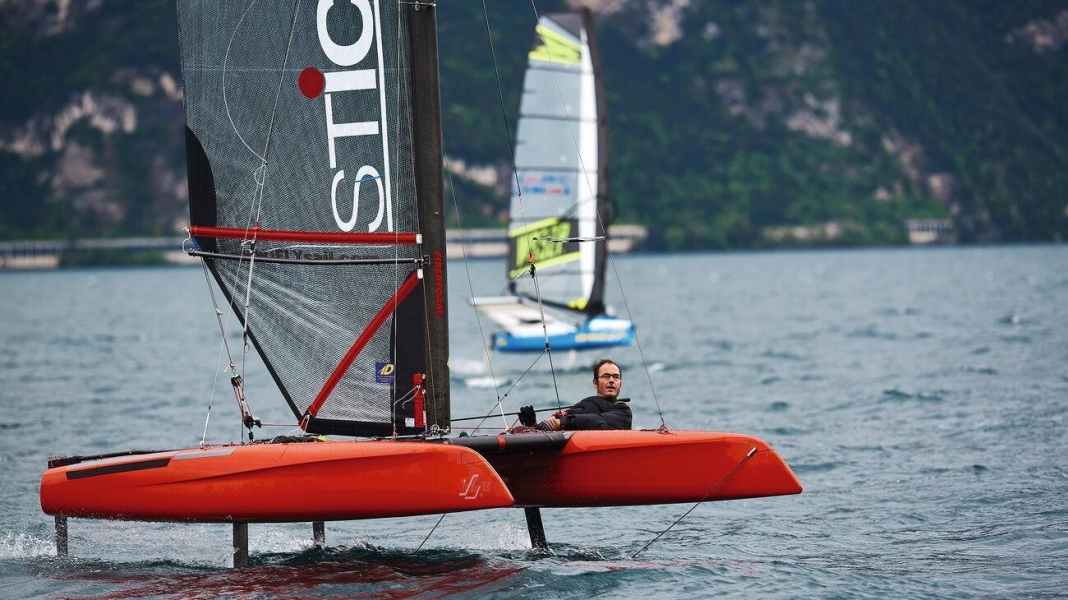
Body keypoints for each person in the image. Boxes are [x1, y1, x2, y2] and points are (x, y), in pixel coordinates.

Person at [534, 359, 632, 431]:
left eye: (616, 377)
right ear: (595, 382)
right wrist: (532, 424)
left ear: (620, 383)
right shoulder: (585, 405)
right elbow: (556, 422)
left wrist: (563, 422)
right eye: (606, 376)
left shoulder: (623, 411)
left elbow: (599, 421)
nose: (611, 380)